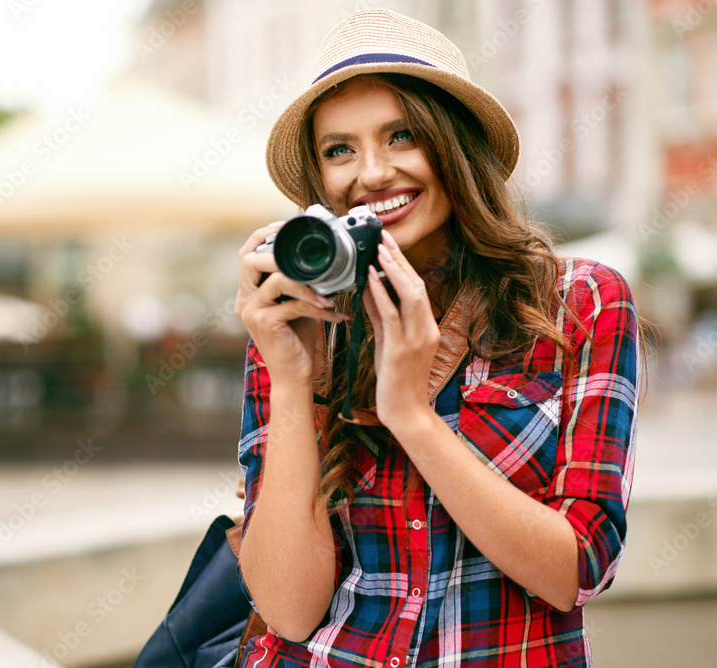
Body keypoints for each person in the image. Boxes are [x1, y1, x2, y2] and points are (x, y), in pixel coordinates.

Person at [232, 9, 640, 667]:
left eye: (402, 136)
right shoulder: (295, 322)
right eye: (339, 149)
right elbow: (287, 610)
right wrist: (289, 378)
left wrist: (412, 417)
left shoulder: (579, 303)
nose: (371, 173)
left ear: (456, 145)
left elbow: (577, 570)